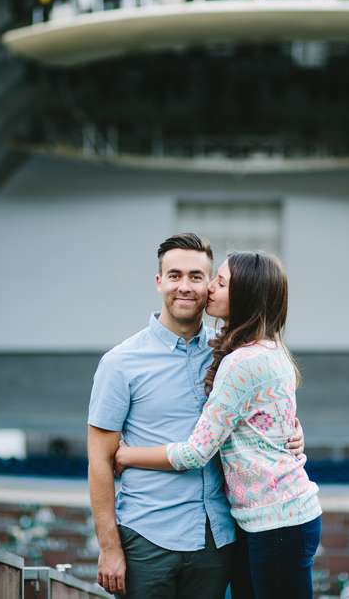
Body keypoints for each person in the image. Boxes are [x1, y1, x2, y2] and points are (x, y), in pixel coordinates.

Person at [87, 234, 304, 598]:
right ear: (159, 282)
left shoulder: (233, 354)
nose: (185, 286)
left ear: (210, 286)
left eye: (196, 277)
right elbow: (99, 459)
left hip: (216, 540)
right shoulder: (120, 363)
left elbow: (263, 409)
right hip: (148, 537)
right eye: (175, 276)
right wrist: (109, 548)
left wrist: (295, 431)